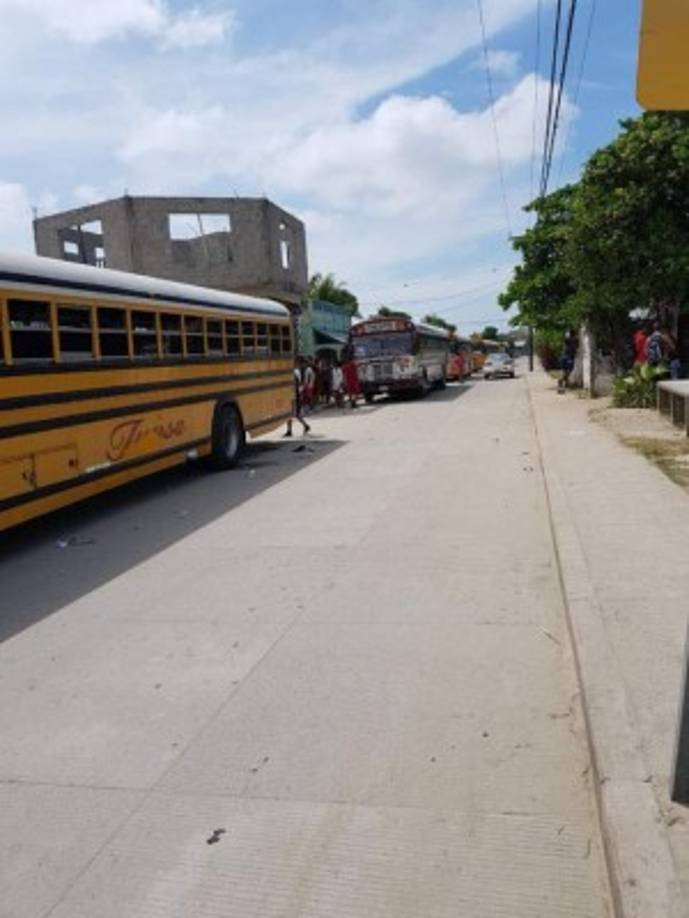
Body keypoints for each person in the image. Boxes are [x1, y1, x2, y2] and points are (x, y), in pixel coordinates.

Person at [283, 358, 311, 437]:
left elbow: (296, 385)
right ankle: (291, 430)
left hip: (294, 396)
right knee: (291, 414)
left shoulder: (294, 373)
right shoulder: (295, 372)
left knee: (294, 414)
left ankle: (303, 426)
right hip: (293, 395)